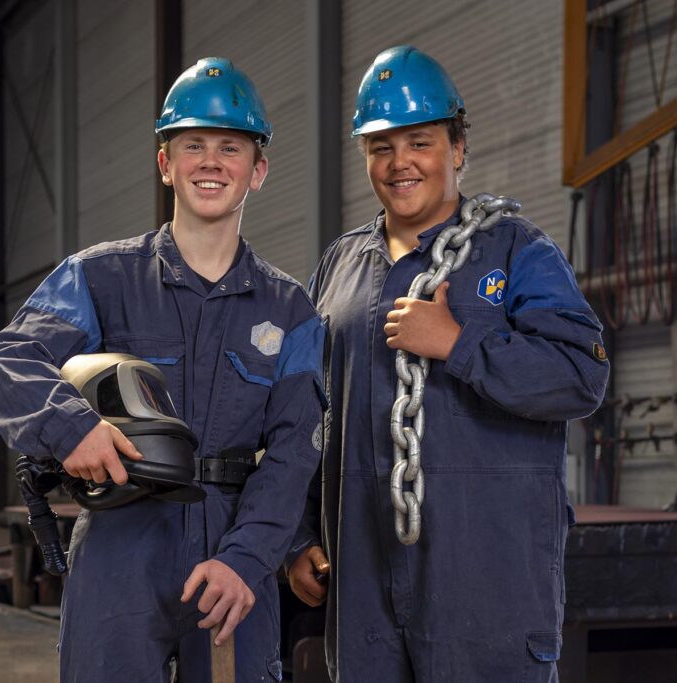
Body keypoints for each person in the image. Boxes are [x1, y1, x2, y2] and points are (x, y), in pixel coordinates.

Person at [0, 57, 325, 683]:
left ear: (259, 170)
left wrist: (246, 560)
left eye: (230, 147)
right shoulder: (101, 278)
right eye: (192, 145)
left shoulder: (290, 310)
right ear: (165, 163)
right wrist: (70, 429)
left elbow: (295, 452)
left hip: (230, 551)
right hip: (120, 543)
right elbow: (8, 362)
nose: (211, 162)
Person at [286, 45, 610, 681]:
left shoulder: (518, 251)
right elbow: (306, 413)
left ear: (457, 148)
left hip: (487, 586)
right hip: (363, 587)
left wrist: (460, 344)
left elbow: (582, 376)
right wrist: (299, 538)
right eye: (381, 146)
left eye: (420, 142)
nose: (400, 162)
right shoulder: (339, 267)